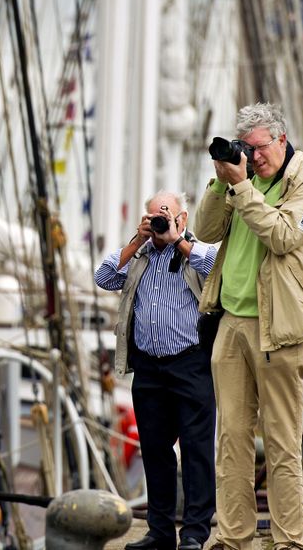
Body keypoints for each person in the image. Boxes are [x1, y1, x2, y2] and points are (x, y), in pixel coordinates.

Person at [194, 103, 303, 550]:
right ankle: (234, 537)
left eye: (258, 149)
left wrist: (241, 188)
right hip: (232, 321)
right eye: (245, 150)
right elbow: (206, 230)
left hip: (282, 327)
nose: (252, 158)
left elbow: (283, 236)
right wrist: (221, 180)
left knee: (281, 442)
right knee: (231, 439)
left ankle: (289, 540)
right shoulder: (240, 181)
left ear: (282, 139)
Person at [96, 190, 218, 550]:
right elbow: (103, 277)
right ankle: (160, 531)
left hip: (190, 363)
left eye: (166, 216)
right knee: (154, 449)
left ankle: (195, 532)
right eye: (153, 217)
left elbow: (216, 270)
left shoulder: (199, 251)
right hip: (149, 366)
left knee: (196, 450)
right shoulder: (141, 255)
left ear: (182, 218)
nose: (160, 222)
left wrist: (177, 241)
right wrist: (139, 238)